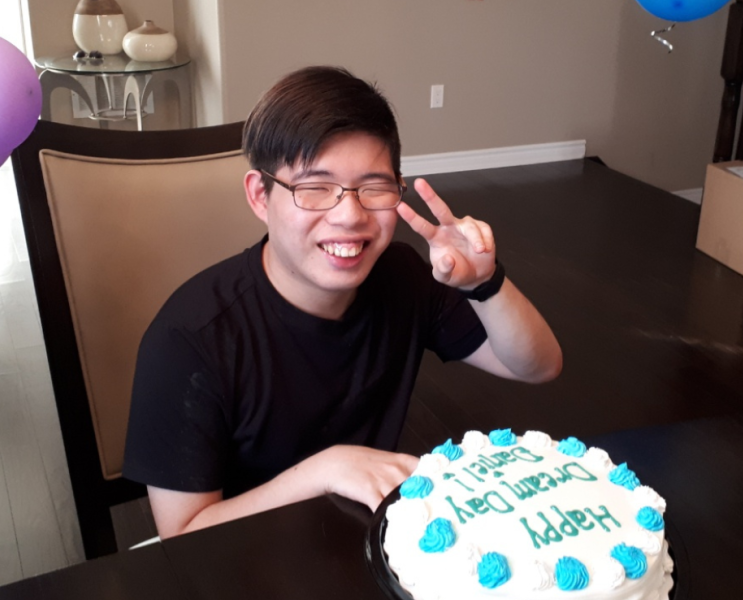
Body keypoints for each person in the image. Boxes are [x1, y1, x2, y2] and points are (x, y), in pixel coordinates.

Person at [122, 66, 562, 539]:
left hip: (362, 542)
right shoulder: (188, 340)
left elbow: (537, 366)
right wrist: (324, 472)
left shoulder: (402, 276)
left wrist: (485, 283)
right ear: (259, 195)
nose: (350, 216)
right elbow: (183, 536)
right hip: (245, 560)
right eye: (315, 188)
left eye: (374, 188)